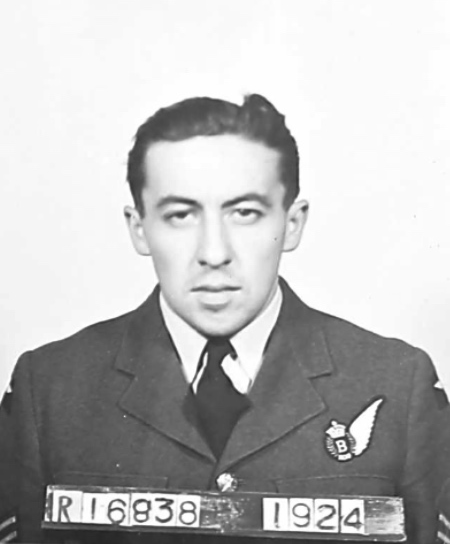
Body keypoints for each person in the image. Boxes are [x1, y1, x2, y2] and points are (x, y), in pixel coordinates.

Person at [0, 94, 448, 544]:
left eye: (245, 213)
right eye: (180, 215)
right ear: (139, 228)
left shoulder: (396, 384)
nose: (214, 253)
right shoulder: (50, 389)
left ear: (292, 223)